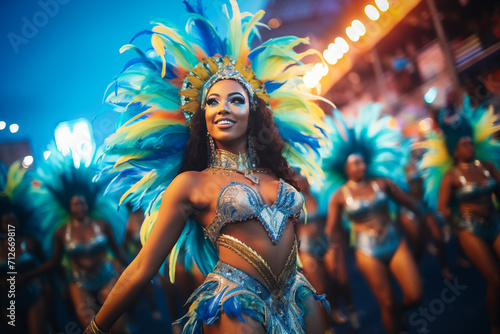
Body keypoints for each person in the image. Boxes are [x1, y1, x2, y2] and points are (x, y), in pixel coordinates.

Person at [83, 1, 330, 333]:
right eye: (212, 101)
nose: (223, 109)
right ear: (202, 117)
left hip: (297, 296)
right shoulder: (191, 185)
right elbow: (142, 267)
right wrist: (96, 327)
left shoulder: (276, 172)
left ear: (253, 112)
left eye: (236, 100)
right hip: (240, 304)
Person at [321, 106, 424, 334]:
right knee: (385, 303)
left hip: (394, 241)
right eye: (354, 163)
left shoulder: (381, 182)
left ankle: (400, 312)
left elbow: (408, 203)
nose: (360, 166)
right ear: (345, 168)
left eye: (361, 161)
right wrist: (332, 253)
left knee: (416, 294)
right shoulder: (339, 196)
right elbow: (333, 230)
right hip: (367, 250)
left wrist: (424, 219)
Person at [22, 148, 129, 332]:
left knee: (118, 326)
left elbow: (117, 250)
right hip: (79, 281)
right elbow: (54, 261)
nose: (80, 207)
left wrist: (137, 270)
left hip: (106, 276)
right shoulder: (62, 232)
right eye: (75, 204)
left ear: (88, 204)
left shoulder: (102, 224)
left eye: (82, 203)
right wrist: (29, 274)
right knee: (90, 327)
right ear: (69, 206)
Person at [417, 102, 500, 334]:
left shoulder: (487, 166)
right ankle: (495, 326)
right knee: (494, 279)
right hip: (469, 228)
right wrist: (453, 221)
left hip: (494, 222)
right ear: (455, 150)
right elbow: (443, 207)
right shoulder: (451, 177)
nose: (469, 146)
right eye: (464, 144)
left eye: (470, 142)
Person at [296, 175, 358, 332]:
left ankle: (346, 310)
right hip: (307, 249)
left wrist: (339, 242)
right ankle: (327, 328)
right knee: (319, 290)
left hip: (326, 243)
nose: (302, 183)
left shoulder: (322, 196)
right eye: (297, 182)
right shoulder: (293, 202)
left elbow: (335, 220)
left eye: (303, 179)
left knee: (341, 278)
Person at [0, 162, 50, 334]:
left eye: (14, 221)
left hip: (33, 294)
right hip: (7, 300)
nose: (11, 224)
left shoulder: (30, 242)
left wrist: (28, 276)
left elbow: (48, 264)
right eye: (7, 221)